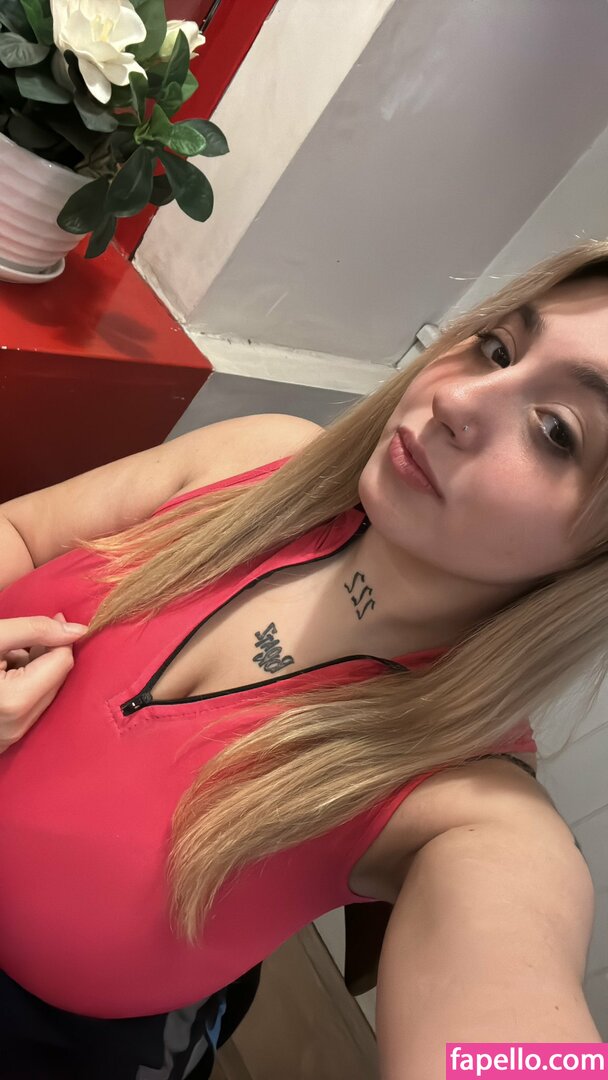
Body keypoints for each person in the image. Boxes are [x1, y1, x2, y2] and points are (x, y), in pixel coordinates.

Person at [0, 238, 606, 1079]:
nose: (457, 396)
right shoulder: (260, 458)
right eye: (498, 348)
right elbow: (22, 533)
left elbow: (508, 1015)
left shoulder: (472, 807)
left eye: (556, 432)